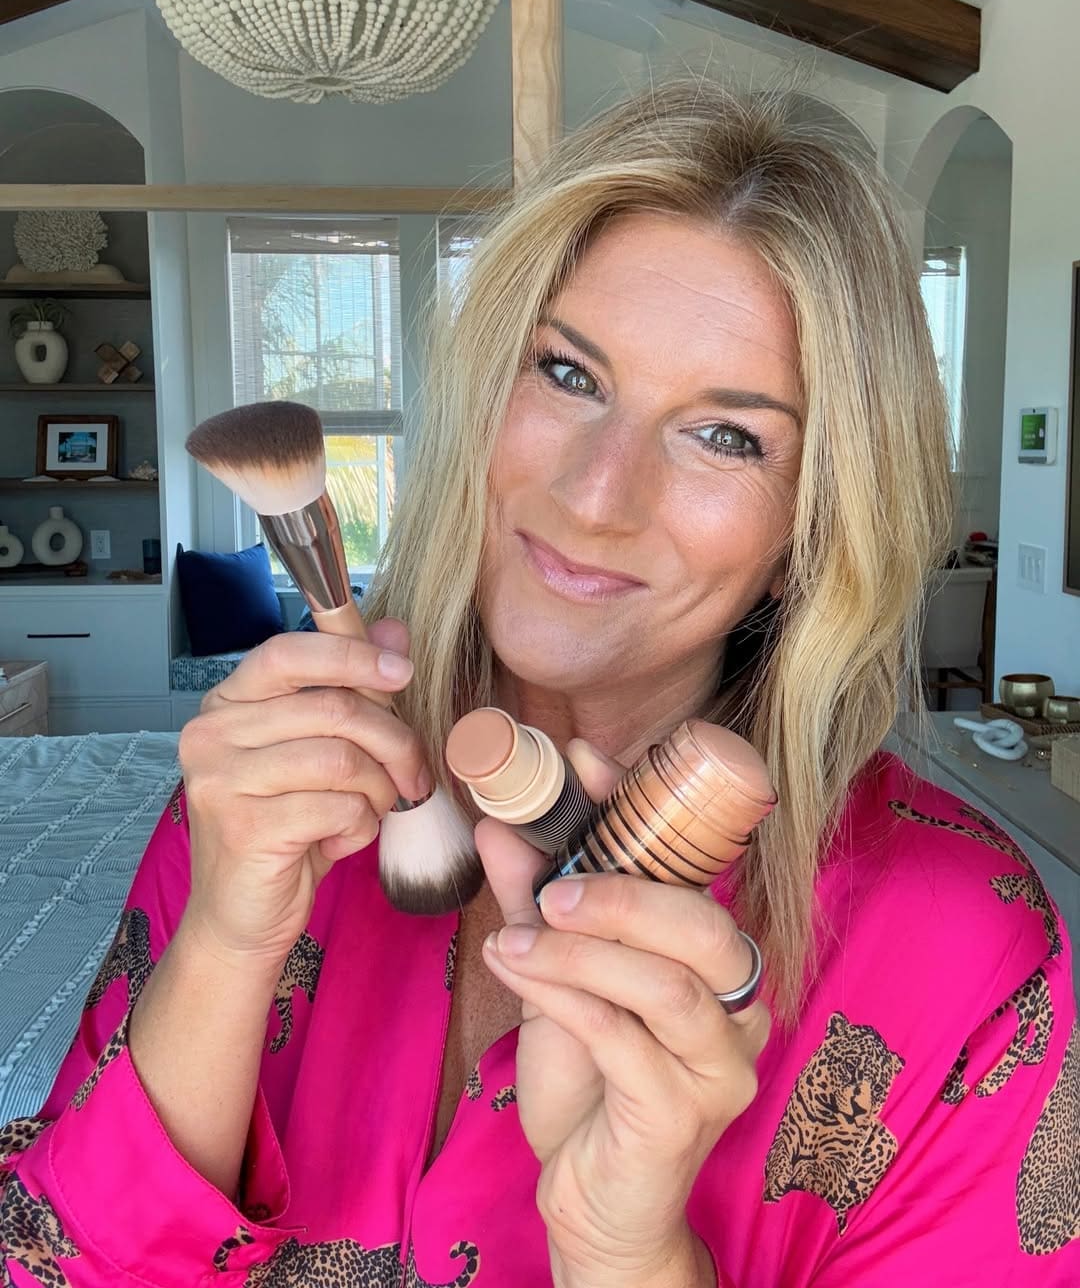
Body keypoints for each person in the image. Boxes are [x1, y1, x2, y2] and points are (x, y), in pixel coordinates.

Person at [1, 82, 1076, 1288]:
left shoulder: (964, 953)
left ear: (812, 528)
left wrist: (627, 1252)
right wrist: (222, 949)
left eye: (726, 436)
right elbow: (53, 1260)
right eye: (568, 374)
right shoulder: (272, 796)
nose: (595, 495)